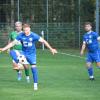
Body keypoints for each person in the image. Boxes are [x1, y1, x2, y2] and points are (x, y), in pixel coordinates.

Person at [0, 23, 57, 90]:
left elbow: (44, 41)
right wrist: (4, 48)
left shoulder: (34, 35)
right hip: (23, 53)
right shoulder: (20, 35)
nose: (25, 32)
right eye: (24, 30)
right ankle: (19, 63)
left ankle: (35, 85)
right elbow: (12, 43)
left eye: (27, 30)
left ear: (29, 29)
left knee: (33, 68)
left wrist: (51, 49)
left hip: (32, 54)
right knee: (12, 52)